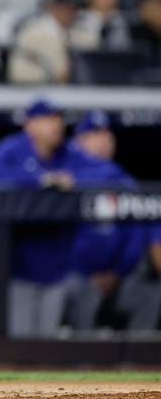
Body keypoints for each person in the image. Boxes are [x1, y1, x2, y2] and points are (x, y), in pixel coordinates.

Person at [0, 97, 95, 337]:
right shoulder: (13, 148)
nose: (56, 125)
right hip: (19, 269)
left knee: (48, 347)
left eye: (58, 118)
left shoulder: (68, 152)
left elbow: (109, 174)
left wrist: (75, 182)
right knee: (20, 345)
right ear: (29, 124)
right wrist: (39, 181)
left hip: (57, 270)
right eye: (48, 118)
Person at [67, 111, 161, 332]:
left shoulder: (123, 180)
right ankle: (82, 362)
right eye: (94, 134)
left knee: (148, 295)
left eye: (107, 134)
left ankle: (137, 362)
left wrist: (117, 274)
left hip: (119, 278)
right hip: (76, 275)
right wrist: (88, 273)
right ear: (78, 141)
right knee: (80, 291)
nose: (104, 140)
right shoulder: (65, 175)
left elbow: (136, 235)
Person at [8, 0, 79, 85]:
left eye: (73, 7)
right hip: (33, 92)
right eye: (64, 6)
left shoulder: (79, 31)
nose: (69, 11)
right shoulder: (32, 32)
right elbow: (17, 71)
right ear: (52, 6)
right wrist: (54, 75)